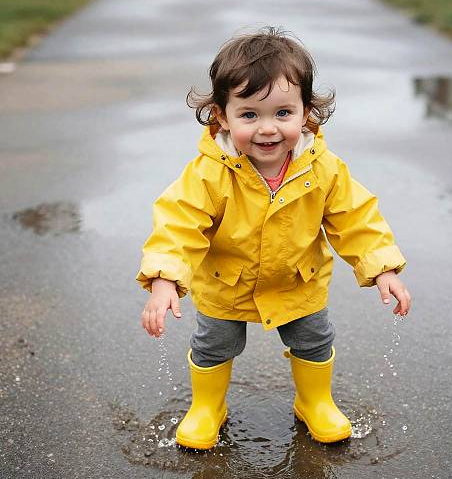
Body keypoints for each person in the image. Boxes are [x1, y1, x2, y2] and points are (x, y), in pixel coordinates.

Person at [136, 27, 411, 450]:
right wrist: (163, 278)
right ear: (222, 116)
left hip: (298, 280)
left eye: (283, 113)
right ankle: (207, 406)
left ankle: (314, 400)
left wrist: (383, 268)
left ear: (307, 114)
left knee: (315, 340)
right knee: (214, 344)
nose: (268, 129)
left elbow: (355, 217)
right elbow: (179, 222)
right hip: (227, 283)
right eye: (249, 115)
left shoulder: (322, 168)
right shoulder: (211, 171)